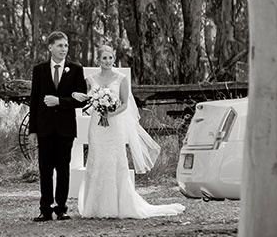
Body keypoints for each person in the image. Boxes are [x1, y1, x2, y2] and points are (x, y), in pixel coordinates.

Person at [79, 44, 185, 218]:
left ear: (114, 59)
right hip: (97, 126)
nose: (107, 61)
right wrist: (96, 105)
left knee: (115, 161)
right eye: (104, 58)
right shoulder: (91, 79)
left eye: (110, 58)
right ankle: (94, 207)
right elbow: (87, 102)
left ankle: (118, 206)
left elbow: (124, 104)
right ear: (98, 60)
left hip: (114, 126)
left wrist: (110, 113)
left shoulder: (121, 79)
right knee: (97, 161)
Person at [29, 31, 89, 221]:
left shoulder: (76, 69)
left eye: (66, 45)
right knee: (45, 170)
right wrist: (32, 130)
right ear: (50, 48)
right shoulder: (39, 70)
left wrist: (59, 101)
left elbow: (82, 101)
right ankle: (45, 209)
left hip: (65, 129)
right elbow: (35, 101)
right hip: (45, 128)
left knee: (63, 169)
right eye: (60, 45)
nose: (64, 49)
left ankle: (61, 208)